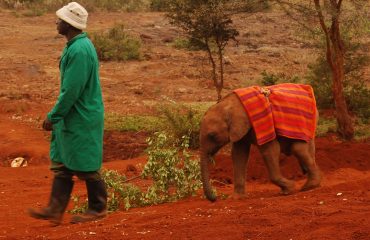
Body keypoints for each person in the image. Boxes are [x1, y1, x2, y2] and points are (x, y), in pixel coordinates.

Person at [28, 2, 107, 225]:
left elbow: (71, 91)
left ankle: (98, 208)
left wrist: (53, 115)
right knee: (63, 162)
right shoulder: (75, 46)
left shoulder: (79, 50)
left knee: (86, 163)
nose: (57, 22)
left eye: (60, 19)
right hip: (75, 115)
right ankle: (55, 209)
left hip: (82, 114)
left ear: (69, 24)